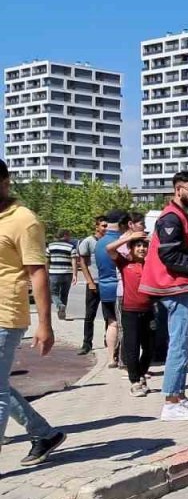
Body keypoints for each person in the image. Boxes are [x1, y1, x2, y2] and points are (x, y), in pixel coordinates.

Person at [0, 159, 66, 469]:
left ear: (5, 182)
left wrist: (45, 324)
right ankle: (44, 433)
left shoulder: (24, 220)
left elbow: (38, 273)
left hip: (6, 313)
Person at [140, 171, 188, 421]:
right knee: (179, 344)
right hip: (173, 285)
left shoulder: (180, 216)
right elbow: (170, 256)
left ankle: (179, 397)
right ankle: (171, 401)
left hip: (180, 285)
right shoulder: (171, 218)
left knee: (182, 343)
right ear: (178, 189)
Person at [108, 229, 153, 397]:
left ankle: (141, 374)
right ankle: (134, 381)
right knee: (132, 348)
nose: (142, 249)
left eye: (144, 246)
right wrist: (129, 237)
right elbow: (109, 249)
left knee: (149, 348)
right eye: (138, 246)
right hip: (130, 311)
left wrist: (153, 240)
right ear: (131, 249)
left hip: (148, 310)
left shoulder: (150, 264)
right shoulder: (124, 263)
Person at [94, 210, 125, 368]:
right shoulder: (120, 241)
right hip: (119, 286)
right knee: (123, 324)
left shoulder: (99, 242)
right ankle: (122, 359)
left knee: (111, 323)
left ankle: (111, 357)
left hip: (104, 286)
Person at [76, 216, 106, 355]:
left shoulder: (110, 241)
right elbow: (82, 262)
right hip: (94, 283)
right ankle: (87, 343)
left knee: (109, 315)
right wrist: (89, 282)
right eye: (103, 226)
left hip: (107, 283)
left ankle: (109, 340)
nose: (105, 228)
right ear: (97, 227)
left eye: (107, 226)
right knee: (90, 315)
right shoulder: (88, 242)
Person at [46, 229, 75, 320]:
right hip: (67, 273)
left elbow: (46, 261)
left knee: (53, 293)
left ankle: (59, 305)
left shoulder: (50, 246)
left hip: (54, 273)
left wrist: (46, 273)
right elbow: (73, 261)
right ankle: (62, 313)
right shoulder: (71, 247)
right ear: (65, 235)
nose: (70, 237)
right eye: (69, 235)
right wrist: (75, 275)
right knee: (64, 294)